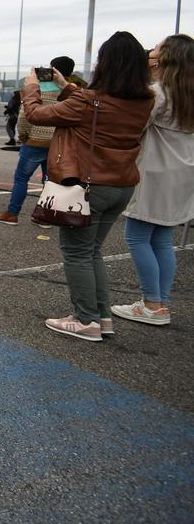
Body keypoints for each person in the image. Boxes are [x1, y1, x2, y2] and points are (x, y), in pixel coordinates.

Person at [23, 31, 155, 342]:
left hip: (88, 186)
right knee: (92, 251)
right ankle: (101, 316)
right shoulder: (145, 100)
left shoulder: (88, 101)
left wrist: (32, 89)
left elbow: (36, 114)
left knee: (77, 253)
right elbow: (94, 108)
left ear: (105, 64)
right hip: (121, 185)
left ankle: (85, 319)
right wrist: (65, 86)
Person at [112, 34, 194, 327]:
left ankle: (151, 303)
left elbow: (133, 127)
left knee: (137, 236)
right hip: (184, 175)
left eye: (156, 48)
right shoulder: (187, 94)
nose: (151, 51)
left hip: (155, 173)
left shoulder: (158, 94)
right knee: (162, 239)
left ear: (165, 58)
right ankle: (160, 303)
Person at [0, 56, 74, 226]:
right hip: (57, 142)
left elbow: (24, 116)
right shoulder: (72, 91)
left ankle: (12, 213)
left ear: (51, 70)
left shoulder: (38, 88)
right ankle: (44, 216)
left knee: (22, 178)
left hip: (35, 140)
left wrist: (23, 136)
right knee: (50, 181)